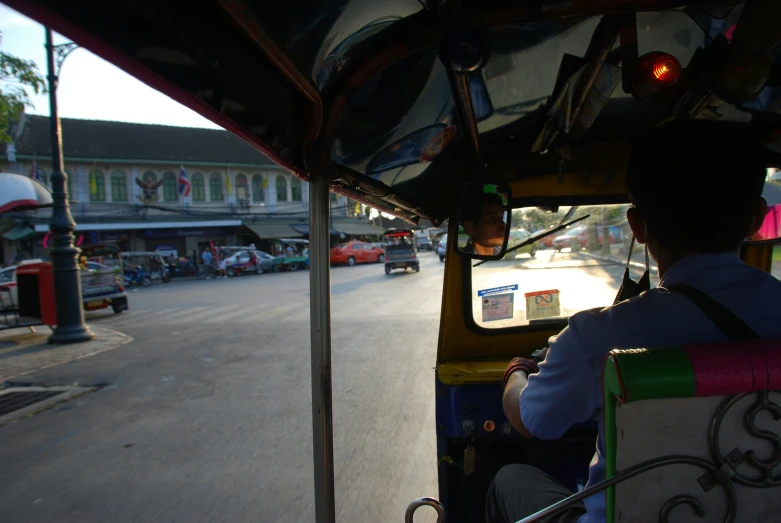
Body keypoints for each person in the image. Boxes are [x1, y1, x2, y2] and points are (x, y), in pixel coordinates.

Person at [486, 120, 781, 523]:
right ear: (756, 219)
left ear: (638, 226)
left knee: (510, 479)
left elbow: (534, 422)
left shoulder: (599, 337)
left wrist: (516, 372)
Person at [459, 188, 507, 256]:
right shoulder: (461, 258)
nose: (503, 225)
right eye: (493, 218)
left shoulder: (508, 253)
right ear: (470, 227)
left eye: (502, 218)